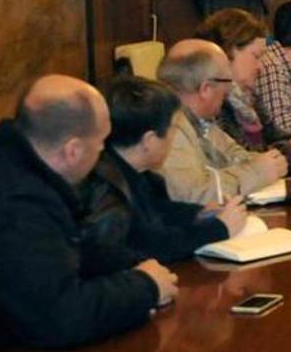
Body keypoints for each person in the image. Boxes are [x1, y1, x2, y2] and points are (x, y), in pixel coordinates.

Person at [0, 75, 176, 349]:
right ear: (73, 150)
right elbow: (60, 318)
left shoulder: (8, 165)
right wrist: (145, 287)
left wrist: (134, 265)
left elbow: (62, 251)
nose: (102, 152)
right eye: (101, 144)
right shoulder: (9, 200)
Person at [80, 76, 248, 263]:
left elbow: (157, 209)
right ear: (149, 141)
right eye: (172, 130)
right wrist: (219, 228)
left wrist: (199, 213)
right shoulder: (107, 192)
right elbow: (151, 246)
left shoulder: (134, 172)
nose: (173, 138)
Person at [194, 8, 291, 168]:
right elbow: (236, 163)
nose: (261, 66)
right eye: (256, 56)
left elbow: (275, 136)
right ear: (227, 52)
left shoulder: (248, 98)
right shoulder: (211, 103)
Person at [157, 39, 288, 204]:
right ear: (206, 89)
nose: (230, 89)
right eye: (227, 81)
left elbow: (238, 156)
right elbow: (194, 195)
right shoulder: (168, 127)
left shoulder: (201, 120)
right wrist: (256, 173)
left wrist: (270, 163)